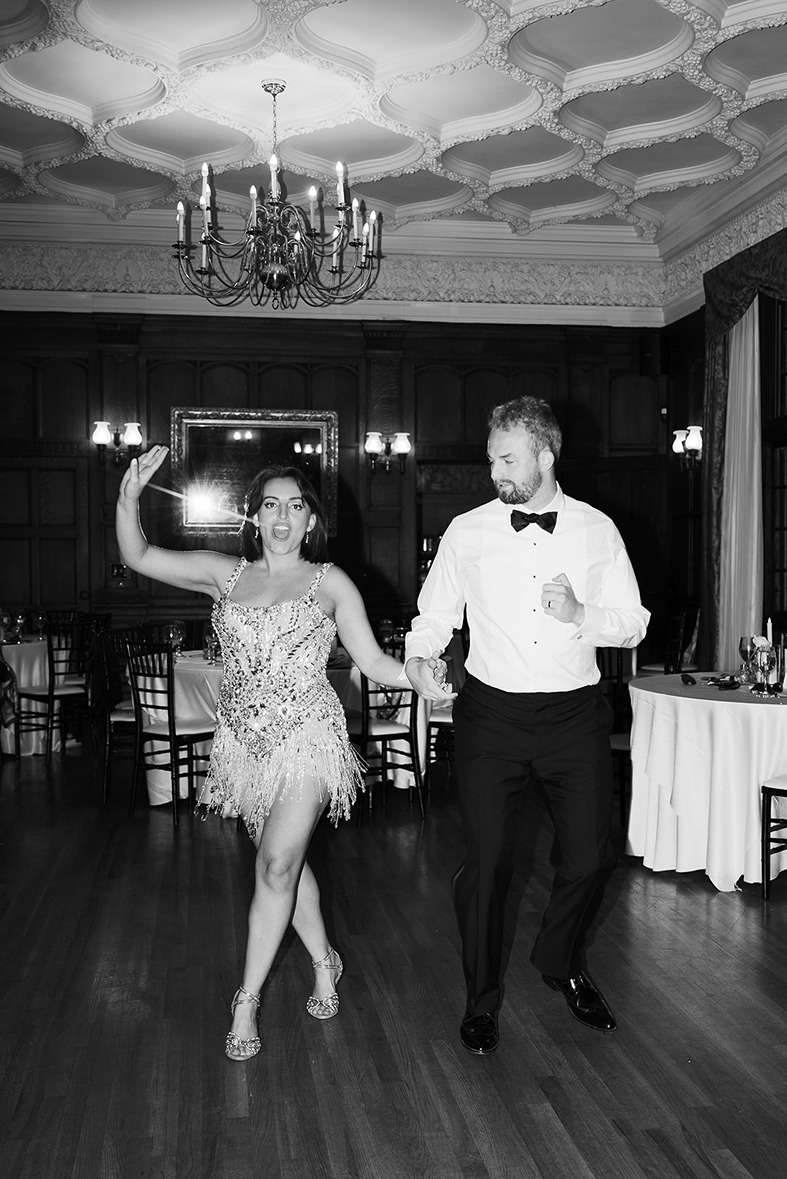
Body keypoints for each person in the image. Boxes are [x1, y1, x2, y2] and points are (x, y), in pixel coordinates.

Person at [117, 447, 415, 1062]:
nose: (283, 517)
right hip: (244, 749)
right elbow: (138, 555)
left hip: (307, 739)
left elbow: (375, 663)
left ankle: (246, 998)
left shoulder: (329, 581)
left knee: (276, 865)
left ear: (311, 521)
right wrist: (128, 500)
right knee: (290, 865)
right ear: (253, 517)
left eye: (296, 506)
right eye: (271, 506)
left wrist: (421, 676)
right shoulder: (225, 575)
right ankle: (324, 959)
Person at [405, 396, 649, 1055]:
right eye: (490, 460)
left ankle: (560, 959)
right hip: (492, 715)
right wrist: (418, 657)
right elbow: (433, 617)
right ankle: (479, 999)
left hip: (573, 714)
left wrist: (580, 612)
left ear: (546, 455)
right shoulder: (467, 531)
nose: (494, 472)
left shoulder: (597, 531)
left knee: (591, 854)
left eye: (506, 459)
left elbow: (632, 621)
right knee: (485, 866)